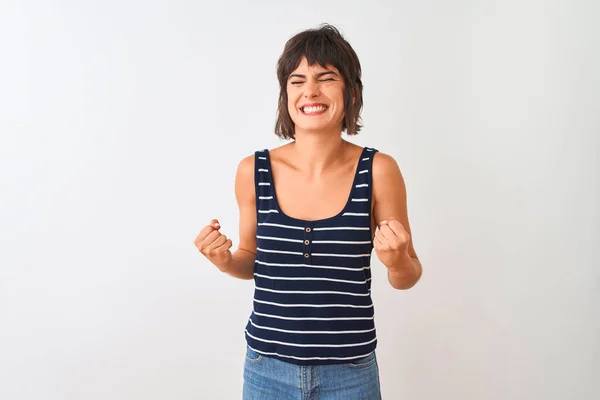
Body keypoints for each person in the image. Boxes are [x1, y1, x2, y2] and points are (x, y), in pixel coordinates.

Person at [194, 24, 422, 400]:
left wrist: (397, 261)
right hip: (266, 369)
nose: (310, 92)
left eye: (325, 78)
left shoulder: (378, 170)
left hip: (350, 373)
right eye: (297, 81)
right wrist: (224, 260)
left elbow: (407, 275)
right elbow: (250, 261)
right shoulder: (253, 171)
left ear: (350, 91)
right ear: (286, 95)